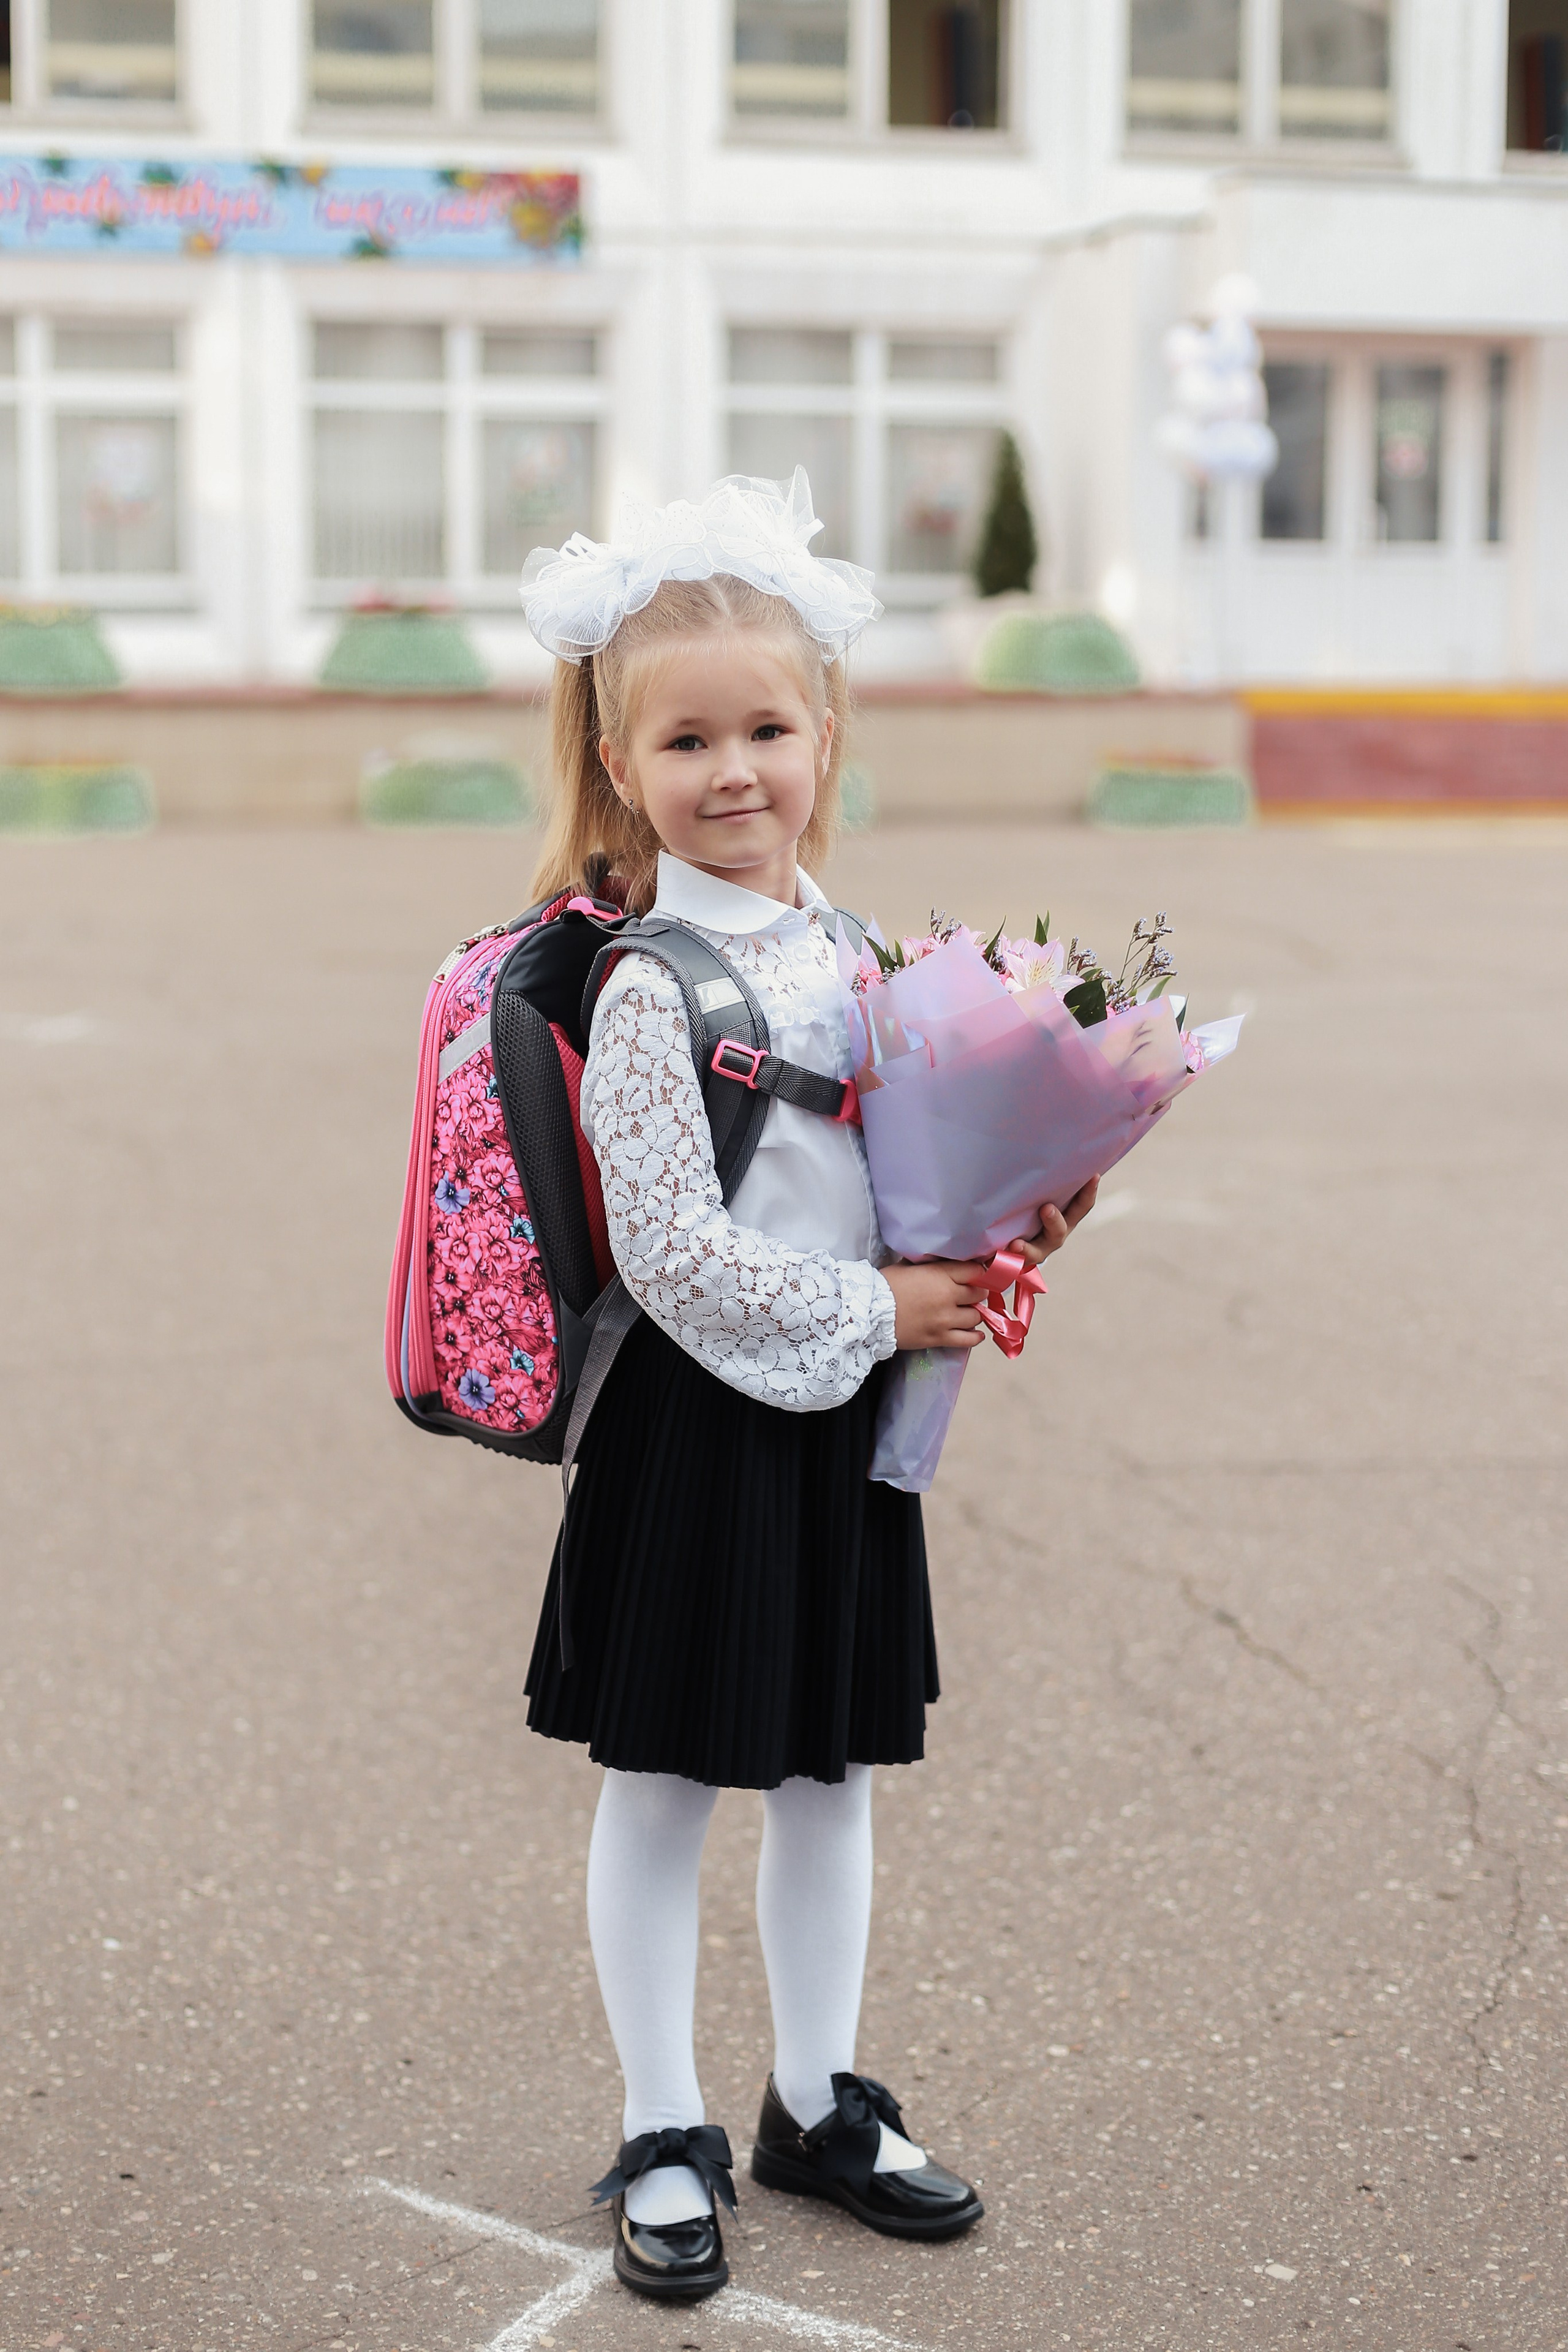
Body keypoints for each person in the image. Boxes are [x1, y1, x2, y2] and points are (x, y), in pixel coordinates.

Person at [516, 471, 1097, 2304]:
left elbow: (906, 1169)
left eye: (768, 727)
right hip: (698, 1436)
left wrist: (1018, 1213)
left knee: (833, 1775)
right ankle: (667, 2119)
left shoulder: (859, 954)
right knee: (671, 1783)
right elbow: (675, 1255)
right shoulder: (644, 986)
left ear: (824, 734)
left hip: (841, 1428)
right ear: (622, 768)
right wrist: (887, 1301)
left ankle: (816, 2100)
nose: (736, 769)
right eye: (688, 740)